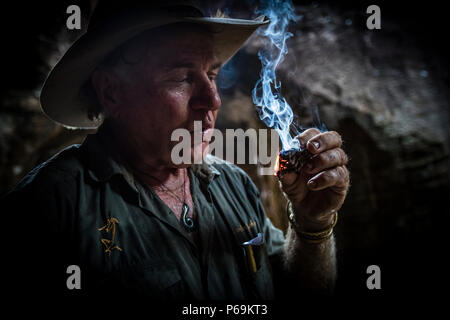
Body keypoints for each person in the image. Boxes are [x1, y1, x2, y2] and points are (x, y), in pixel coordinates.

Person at [2, 0, 349, 302]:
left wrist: (311, 225)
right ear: (111, 92)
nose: (212, 100)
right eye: (181, 78)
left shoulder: (234, 185)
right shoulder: (52, 207)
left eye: (211, 75)